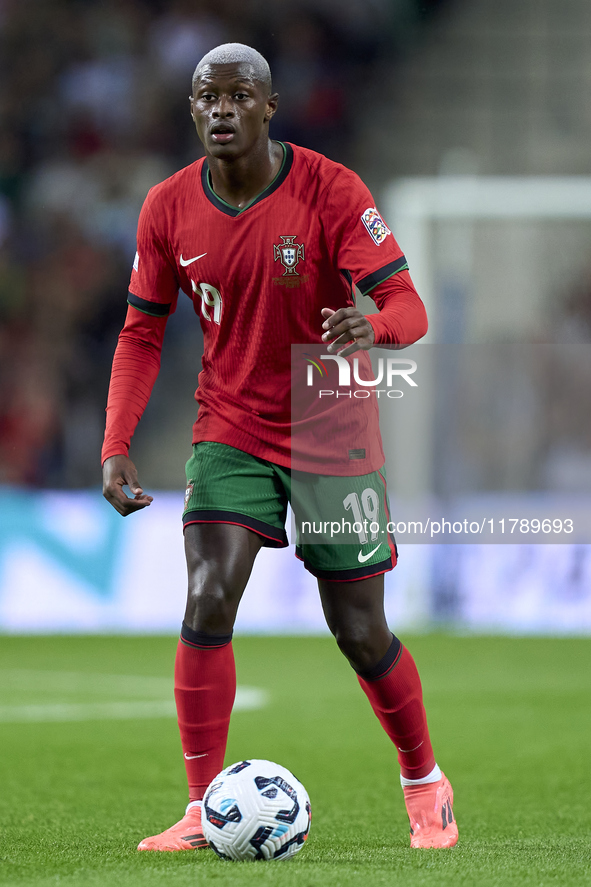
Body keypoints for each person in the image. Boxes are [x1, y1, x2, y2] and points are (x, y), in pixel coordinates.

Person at [102, 43, 458, 852]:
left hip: (330, 424)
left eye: (238, 96)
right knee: (206, 597)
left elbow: (408, 304)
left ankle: (422, 778)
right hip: (229, 425)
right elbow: (140, 332)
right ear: (191, 109)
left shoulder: (331, 190)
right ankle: (201, 808)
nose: (220, 109)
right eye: (206, 96)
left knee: (360, 630)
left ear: (269, 107)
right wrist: (116, 442)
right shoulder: (165, 208)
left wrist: (372, 323)